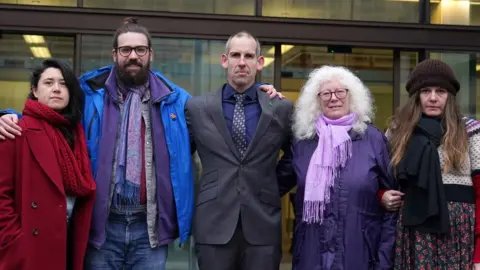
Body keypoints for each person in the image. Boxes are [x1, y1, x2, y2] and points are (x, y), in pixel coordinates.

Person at [0, 19, 280, 269]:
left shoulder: (178, 101)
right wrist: (8, 117)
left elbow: (223, 119)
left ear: (150, 54)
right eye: (125, 50)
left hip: (150, 230)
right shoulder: (89, 94)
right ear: (114, 55)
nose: (133, 56)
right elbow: (49, 114)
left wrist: (259, 94)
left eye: (140, 50)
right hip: (102, 226)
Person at [187, 31, 293, 270]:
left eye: (249, 55)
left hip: (263, 226)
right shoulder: (197, 108)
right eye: (236, 55)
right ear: (225, 60)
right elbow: (179, 160)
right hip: (213, 224)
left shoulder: (280, 108)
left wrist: (270, 185)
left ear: (259, 62)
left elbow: (297, 157)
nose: (242, 62)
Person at [278, 65, 397, 269]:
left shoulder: (373, 140)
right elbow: (272, 186)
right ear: (316, 100)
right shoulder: (303, 142)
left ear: (352, 96)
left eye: (340, 91)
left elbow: (393, 202)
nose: (334, 98)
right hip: (311, 256)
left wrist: (384, 261)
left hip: (360, 255)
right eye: (326, 93)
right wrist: (265, 100)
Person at [0, 59, 96, 270]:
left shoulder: (77, 134)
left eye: (63, 84)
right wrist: (13, 242)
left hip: (69, 238)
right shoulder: (15, 130)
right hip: (31, 245)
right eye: (49, 82)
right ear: (34, 90)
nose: (56, 89)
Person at [385, 59, 480, 269]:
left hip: (458, 232)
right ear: (416, 96)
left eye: (441, 91)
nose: (433, 98)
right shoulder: (397, 131)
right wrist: (382, 195)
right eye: (426, 90)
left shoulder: (471, 131)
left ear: (450, 96)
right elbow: (379, 179)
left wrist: (479, 253)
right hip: (413, 230)